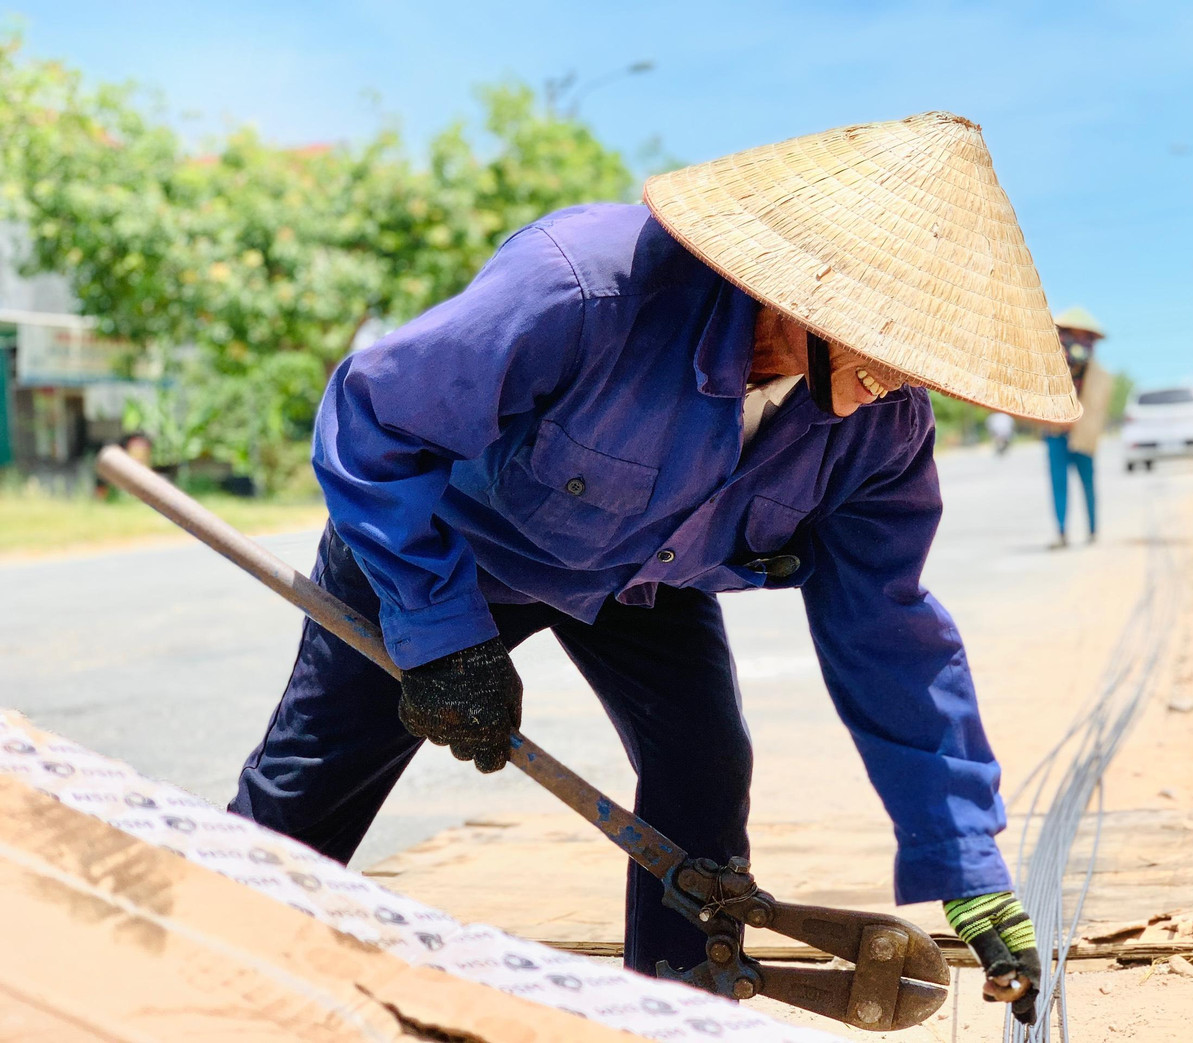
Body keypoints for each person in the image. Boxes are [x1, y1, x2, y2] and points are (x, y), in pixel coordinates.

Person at [229, 112, 1081, 1026]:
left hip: (637, 578)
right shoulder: (585, 288)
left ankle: (675, 1007)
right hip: (443, 545)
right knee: (308, 788)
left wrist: (967, 863)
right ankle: (203, 972)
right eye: (900, 348)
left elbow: (892, 635)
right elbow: (374, 425)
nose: (911, 383)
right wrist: (440, 636)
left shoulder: (883, 432)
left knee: (704, 766)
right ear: (816, 293)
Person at [1043, 307, 1113, 549]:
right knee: (1059, 484)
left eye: (1084, 336)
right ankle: (1062, 532)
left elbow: (1097, 409)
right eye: (1071, 335)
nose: (1078, 342)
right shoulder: (1049, 369)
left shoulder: (1099, 376)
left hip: (1082, 436)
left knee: (1088, 484)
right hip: (1056, 433)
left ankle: (1093, 529)